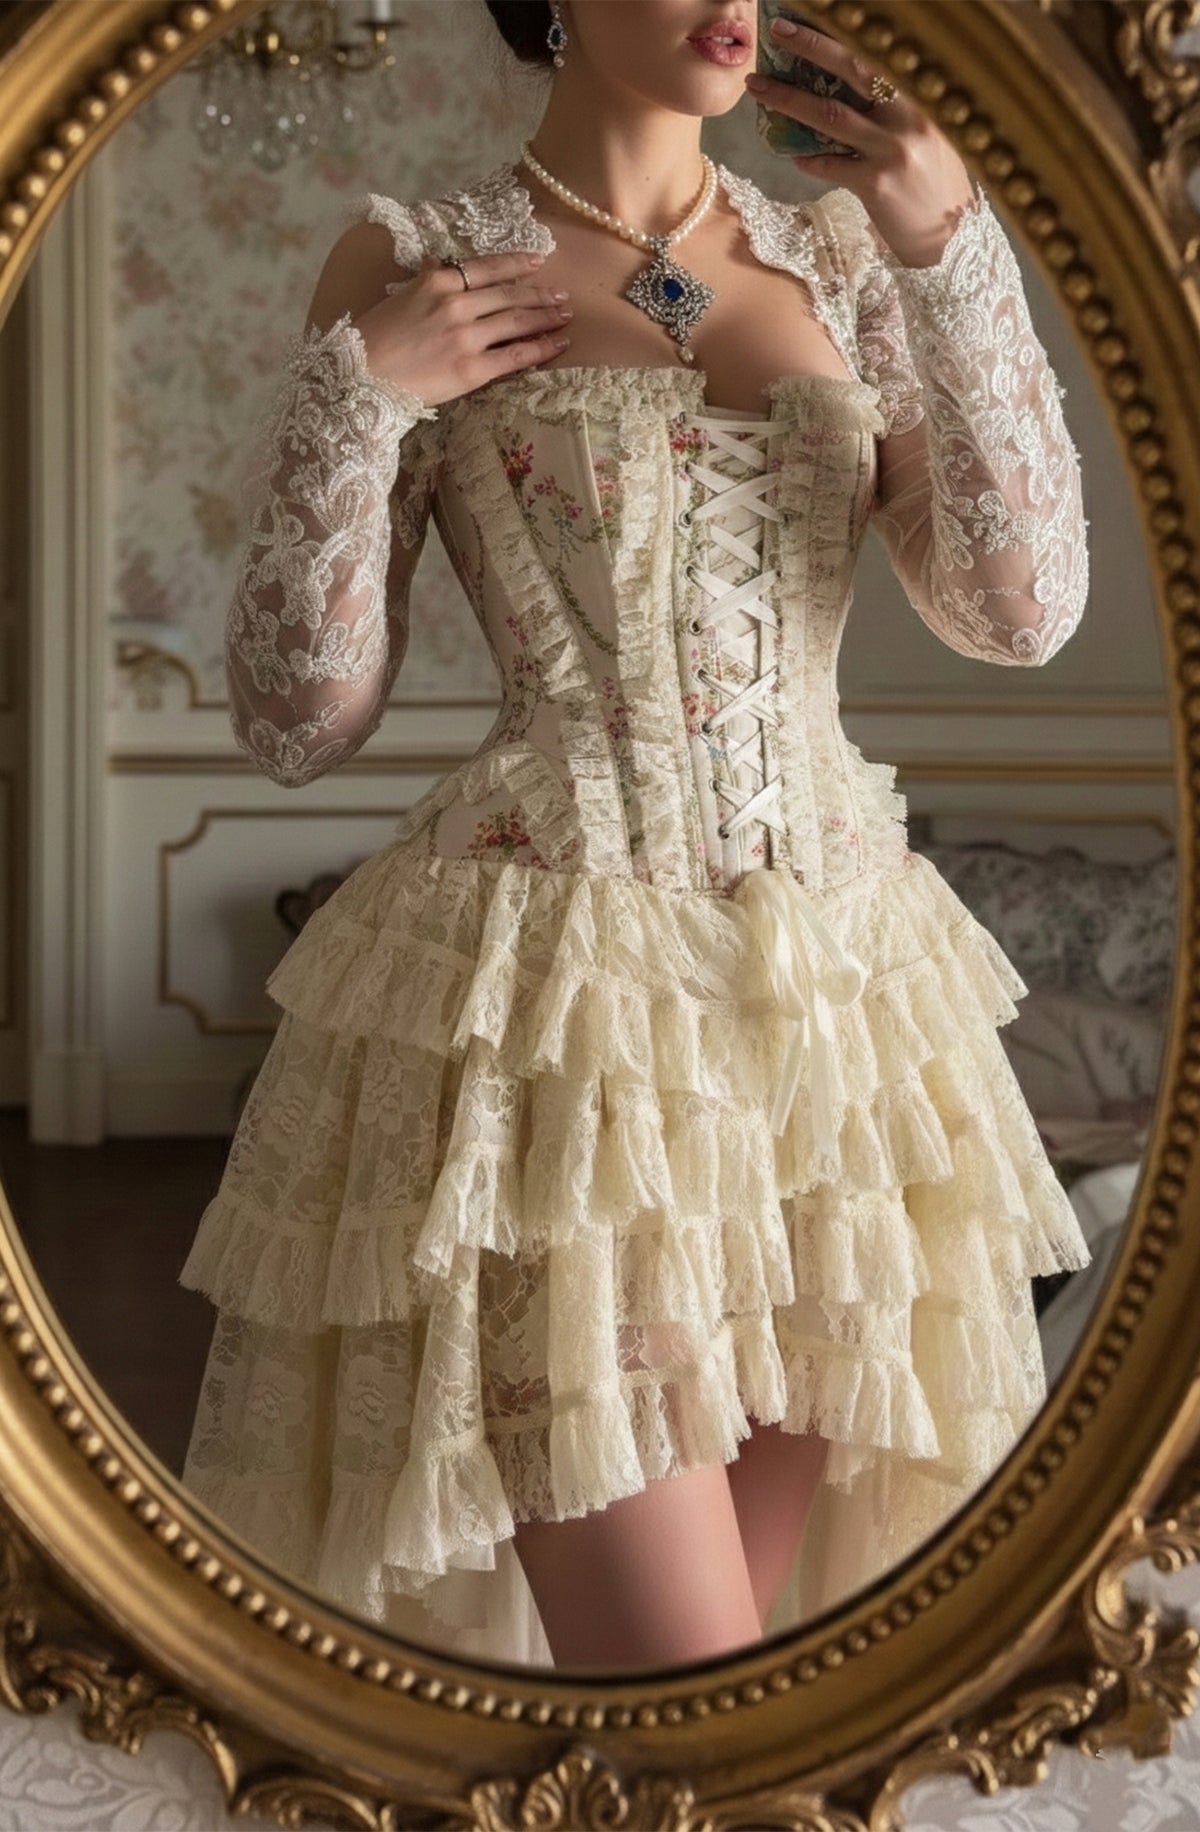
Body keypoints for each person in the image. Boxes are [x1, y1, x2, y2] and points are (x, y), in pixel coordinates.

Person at [177, 0, 1093, 1673]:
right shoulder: (416, 260)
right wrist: (362, 399)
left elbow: (1017, 610)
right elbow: (295, 721)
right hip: (561, 1019)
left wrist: (951, 248)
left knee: (734, 1709)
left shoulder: (844, 256)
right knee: (677, 1671)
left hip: (834, 1025)